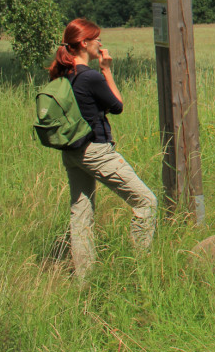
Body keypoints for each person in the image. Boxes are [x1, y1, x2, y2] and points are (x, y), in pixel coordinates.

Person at [48, 18, 157, 279]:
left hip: (72, 153)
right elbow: (118, 105)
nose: (101, 43)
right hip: (95, 151)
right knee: (146, 202)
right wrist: (107, 70)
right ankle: (140, 271)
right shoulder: (91, 76)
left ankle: (85, 280)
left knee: (80, 213)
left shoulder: (65, 74)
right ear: (84, 43)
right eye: (98, 39)